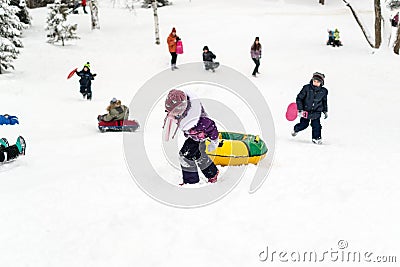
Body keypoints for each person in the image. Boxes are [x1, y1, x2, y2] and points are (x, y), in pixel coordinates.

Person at [163, 89, 219, 185]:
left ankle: (191, 182)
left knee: (185, 156)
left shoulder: (201, 120)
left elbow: (212, 128)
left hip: (201, 138)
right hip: (193, 137)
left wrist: (214, 142)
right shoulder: (179, 114)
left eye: (174, 113)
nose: (171, 115)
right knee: (199, 156)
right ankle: (212, 173)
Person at [291, 72, 328, 145]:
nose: (316, 83)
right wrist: (300, 109)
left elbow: (324, 101)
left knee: (316, 126)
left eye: (318, 82)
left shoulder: (323, 91)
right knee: (304, 125)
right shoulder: (306, 88)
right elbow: (299, 98)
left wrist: (325, 110)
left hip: (316, 112)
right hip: (305, 111)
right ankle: (296, 129)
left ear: (321, 83)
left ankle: (316, 138)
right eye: (314, 81)